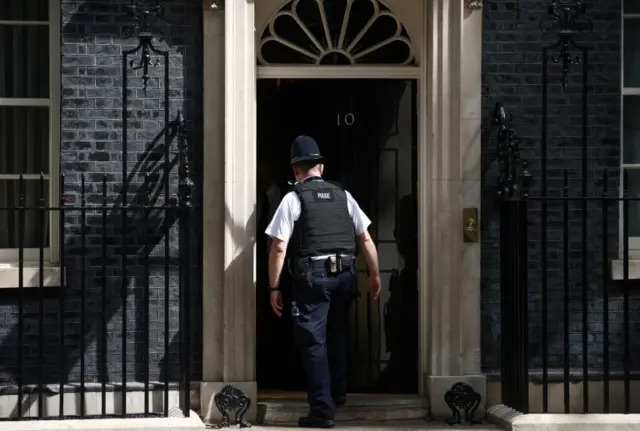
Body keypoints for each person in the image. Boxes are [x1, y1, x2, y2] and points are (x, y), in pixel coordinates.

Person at [265, 135, 381, 428]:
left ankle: (322, 410)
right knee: (336, 332)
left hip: (313, 278)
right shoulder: (344, 195)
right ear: (321, 167)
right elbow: (365, 239)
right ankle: (338, 393)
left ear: (295, 171)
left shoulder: (293, 198)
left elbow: (279, 246)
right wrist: (376, 275)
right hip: (345, 276)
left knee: (312, 341)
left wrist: (273, 287)